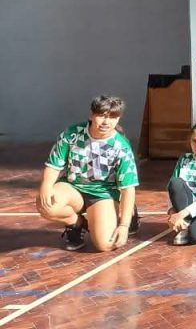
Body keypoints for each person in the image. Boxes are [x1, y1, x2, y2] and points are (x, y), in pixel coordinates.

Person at [37, 95, 139, 252]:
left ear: (118, 119)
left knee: (106, 244)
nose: (106, 122)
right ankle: (76, 224)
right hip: (73, 187)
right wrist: (46, 186)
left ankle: (127, 211)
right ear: (91, 115)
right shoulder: (72, 134)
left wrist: (124, 225)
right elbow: (53, 166)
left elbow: (128, 189)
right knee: (46, 204)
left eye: (112, 117)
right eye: (101, 116)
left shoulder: (121, 147)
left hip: (103, 193)